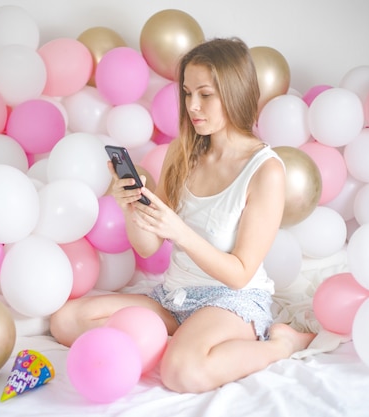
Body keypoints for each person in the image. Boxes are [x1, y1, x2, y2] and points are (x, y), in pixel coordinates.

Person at [50, 37, 315, 394]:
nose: (192, 106)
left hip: (230, 299)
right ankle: (181, 338)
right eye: (187, 93)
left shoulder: (265, 171)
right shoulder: (184, 152)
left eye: (205, 94)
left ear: (234, 92)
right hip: (174, 296)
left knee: (181, 373)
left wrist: (180, 233)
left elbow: (239, 274)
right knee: (65, 321)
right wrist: (132, 205)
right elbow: (146, 248)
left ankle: (279, 344)